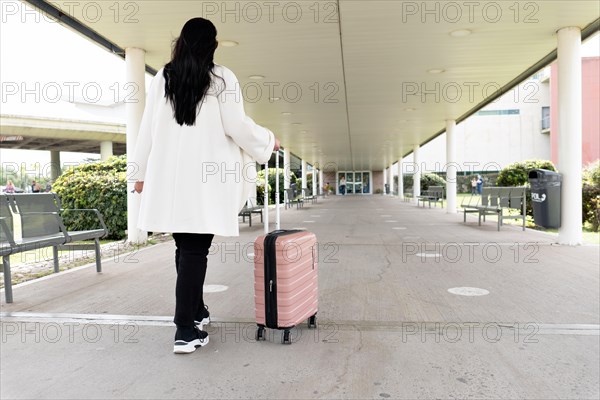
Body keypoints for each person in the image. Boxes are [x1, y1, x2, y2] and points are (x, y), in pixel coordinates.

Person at [130, 18, 279, 354]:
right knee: (195, 250)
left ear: (181, 42)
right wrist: (268, 142)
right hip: (208, 182)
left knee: (186, 249)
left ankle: (196, 312)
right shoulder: (222, 77)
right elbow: (237, 126)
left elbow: (147, 130)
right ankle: (184, 330)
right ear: (211, 44)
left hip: (171, 181)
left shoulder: (163, 77)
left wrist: (138, 174)